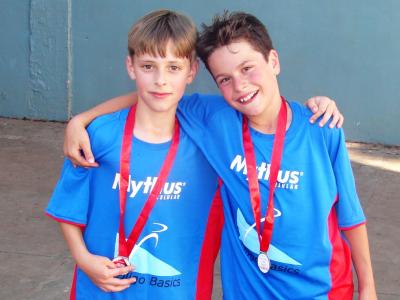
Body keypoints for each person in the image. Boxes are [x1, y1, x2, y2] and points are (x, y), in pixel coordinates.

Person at [62, 11, 376, 300]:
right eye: (224, 79)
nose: (240, 86)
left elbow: (351, 216)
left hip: (323, 290)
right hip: (248, 291)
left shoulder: (321, 129)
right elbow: (159, 93)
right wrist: (81, 120)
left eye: (248, 68)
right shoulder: (215, 120)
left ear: (274, 61)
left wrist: (369, 289)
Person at [46, 10, 223, 299]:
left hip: (180, 292)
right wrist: (83, 259)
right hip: (100, 289)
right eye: (148, 66)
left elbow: (262, 110)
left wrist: (319, 108)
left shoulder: (208, 137)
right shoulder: (99, 136)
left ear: (191, 71)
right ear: (131, 67)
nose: (161, 80)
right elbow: (68, 207)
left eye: (173, 68)